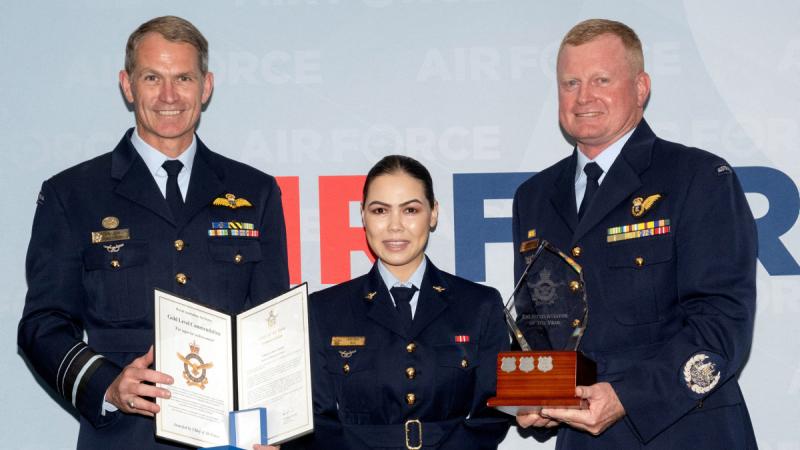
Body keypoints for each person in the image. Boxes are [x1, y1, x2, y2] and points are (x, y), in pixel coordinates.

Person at [17, 16, 289, 450]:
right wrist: (106, 386)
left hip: (231, 440)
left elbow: (272, 330)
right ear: (127, 85)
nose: (168, 96)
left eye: (183, 77)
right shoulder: (72, 194)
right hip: (123, 438)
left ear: (206, 86)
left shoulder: (255, 191)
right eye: (151, 78)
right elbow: (42, 325)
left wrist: (274, 427)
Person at [512, 19, 757, 448]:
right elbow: (540, 325)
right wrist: (532, 394)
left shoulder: (697, 177)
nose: (583, 96)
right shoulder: (533, 197)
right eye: (570, 82)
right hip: (583, 439)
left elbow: (723, 325)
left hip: (686, 431)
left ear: (641, 88)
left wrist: (627, 397)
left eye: (601, 80)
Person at [296, 155, 510, 449]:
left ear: (433, 214)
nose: (395, 226)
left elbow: (492, 412)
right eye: (380, 210)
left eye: (410, 210)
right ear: (362, 215)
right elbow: (316, 420)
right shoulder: (323, 310)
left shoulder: (480, 305)